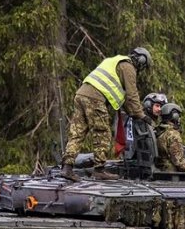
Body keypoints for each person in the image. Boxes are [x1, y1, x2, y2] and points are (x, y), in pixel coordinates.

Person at [62, 47, 152, 181]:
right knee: (102, 132)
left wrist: (133, 113)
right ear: (141, 61)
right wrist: (142, 115)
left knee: (77, 133)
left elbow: (126, 100)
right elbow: (132, 95)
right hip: (95, 98)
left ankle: (67, 168)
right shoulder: (129, 67)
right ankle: (99, 170)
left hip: (81, 94)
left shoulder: (115, 61)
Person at [155, 102, 185, 172]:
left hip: (162, 168)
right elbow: (179, 163)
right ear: (175, 116)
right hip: (171, 172)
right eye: (178, 116)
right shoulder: (173, 134)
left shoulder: (159, 131)